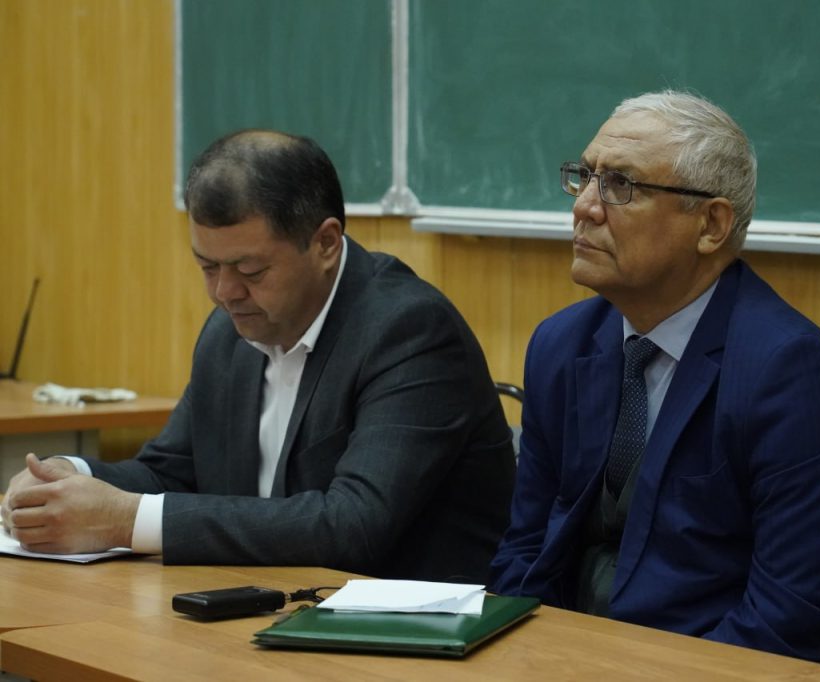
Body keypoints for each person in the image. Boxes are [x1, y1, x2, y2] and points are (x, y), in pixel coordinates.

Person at [489, 91, 820, 680]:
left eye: (621, 185)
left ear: (711, 225)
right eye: (584, 177)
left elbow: (794, 622)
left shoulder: (791, 373)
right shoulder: (561, 346)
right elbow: (525, 551)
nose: (585, 207)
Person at [2, 130, 516, 584]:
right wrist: (65, 477)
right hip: (271, 606)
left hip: (412, 631)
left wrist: (123, 519)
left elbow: (353, 525)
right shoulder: (229, 332)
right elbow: (171, 473)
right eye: (207, 267)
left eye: (250, 271)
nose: (224, 293)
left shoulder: (409, 331)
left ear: (326, 243)